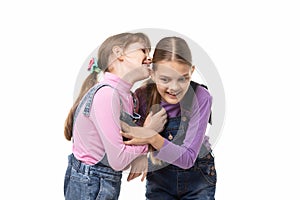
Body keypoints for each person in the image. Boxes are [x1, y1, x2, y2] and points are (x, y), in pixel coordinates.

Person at [63, 32, 166, 200]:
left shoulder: (128, 96)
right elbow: (118, 159)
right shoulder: (107, 95)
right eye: (143, 50)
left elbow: (123, 141)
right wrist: (148, 135)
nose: (149, 58)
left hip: (102, 182)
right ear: (119, 53)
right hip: (91, 185)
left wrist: (140, 155)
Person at [121, 36, 217, 199]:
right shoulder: (142, 96)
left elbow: (188, 158)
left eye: (183, 78)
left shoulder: (201, 97)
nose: (174, 87)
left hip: (198, 179)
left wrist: (151, 136)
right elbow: (128, 139)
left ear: (192, 71)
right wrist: (140, 152)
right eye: (165, 79)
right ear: (152, 73)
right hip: (160, 180)